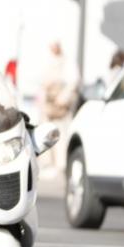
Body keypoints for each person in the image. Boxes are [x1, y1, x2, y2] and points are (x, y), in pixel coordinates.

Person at [37, 41, 78, 178]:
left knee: (61, 134)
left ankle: (61, 165)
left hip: (61, 107)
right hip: (48, 105)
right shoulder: (48, 61)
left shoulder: (67, 62)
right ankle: (47, 163)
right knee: (46, 133)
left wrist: (63, 98)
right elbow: (42, 83)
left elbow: (73, 82)